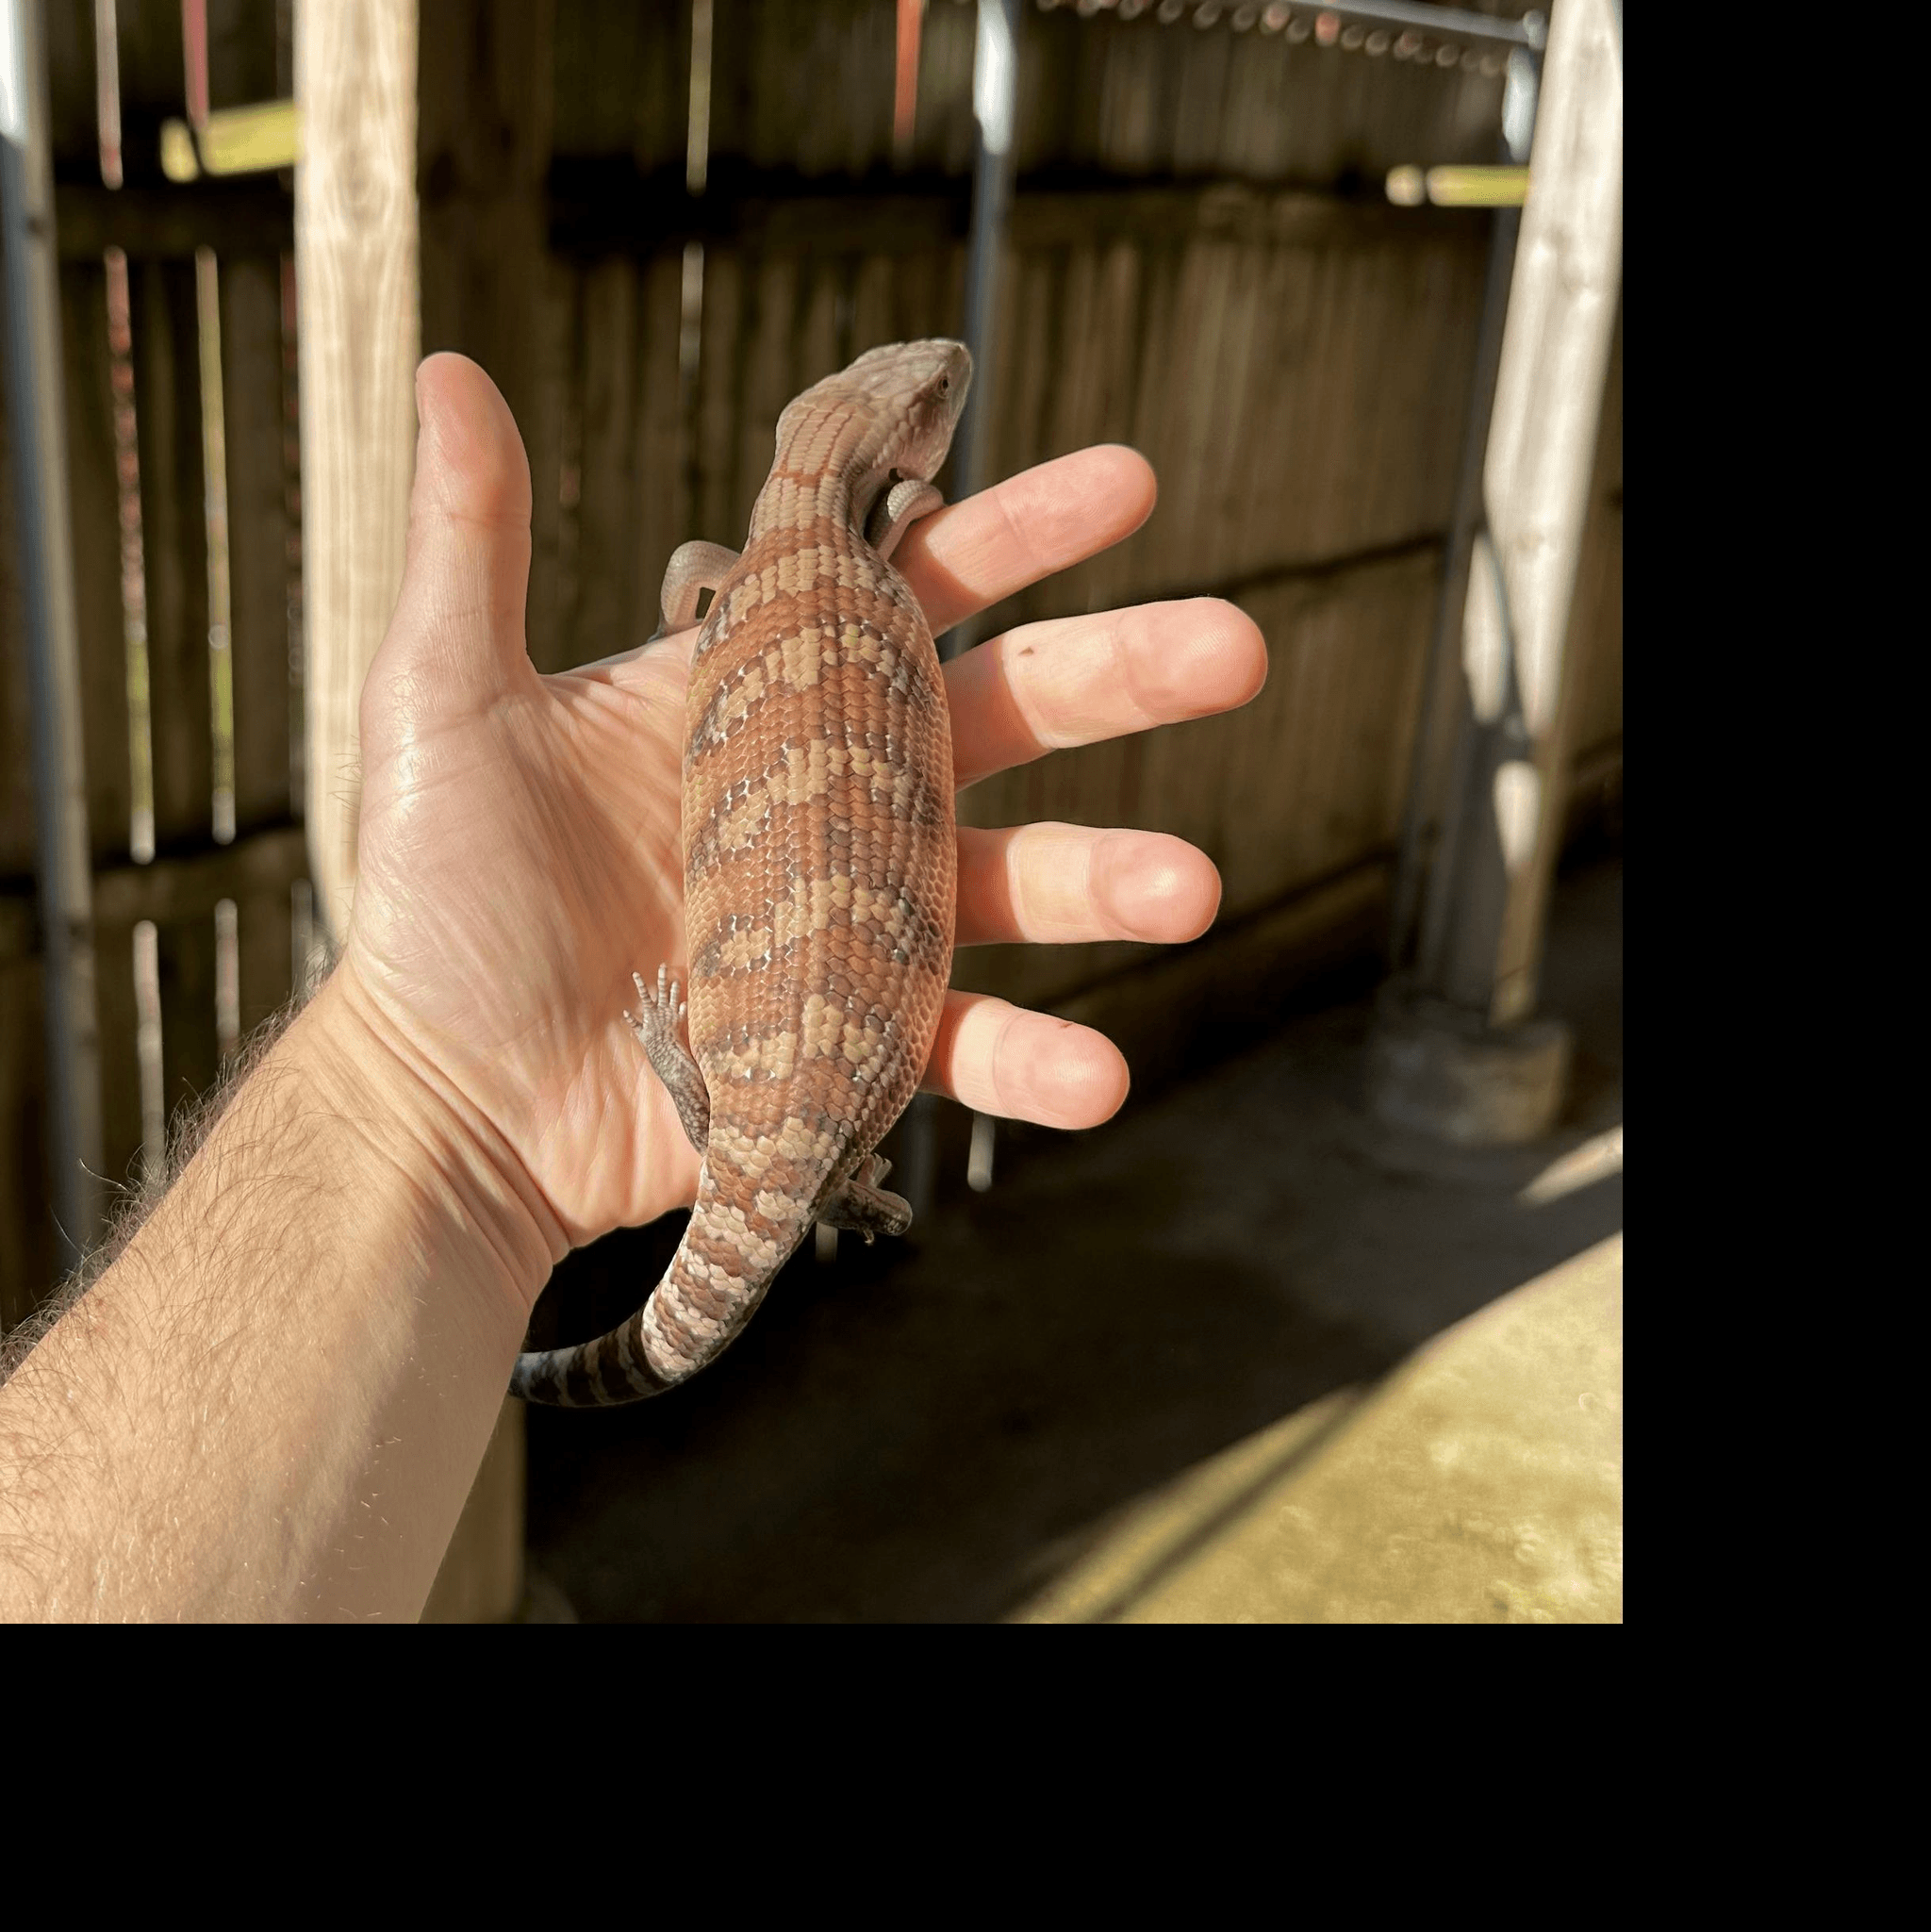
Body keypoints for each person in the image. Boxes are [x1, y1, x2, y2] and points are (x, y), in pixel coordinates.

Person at [0, 355, 1267, 1621]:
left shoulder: (747, 575)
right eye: (923, 397)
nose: (937, 383)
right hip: (788, 1075)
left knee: (786, 1172)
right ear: (909, 450)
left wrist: (692, 626)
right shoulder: (882, 577)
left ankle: (818, 1187)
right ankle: (813, 1189)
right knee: (794, 1165)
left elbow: (689, 579)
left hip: (780, 1079)